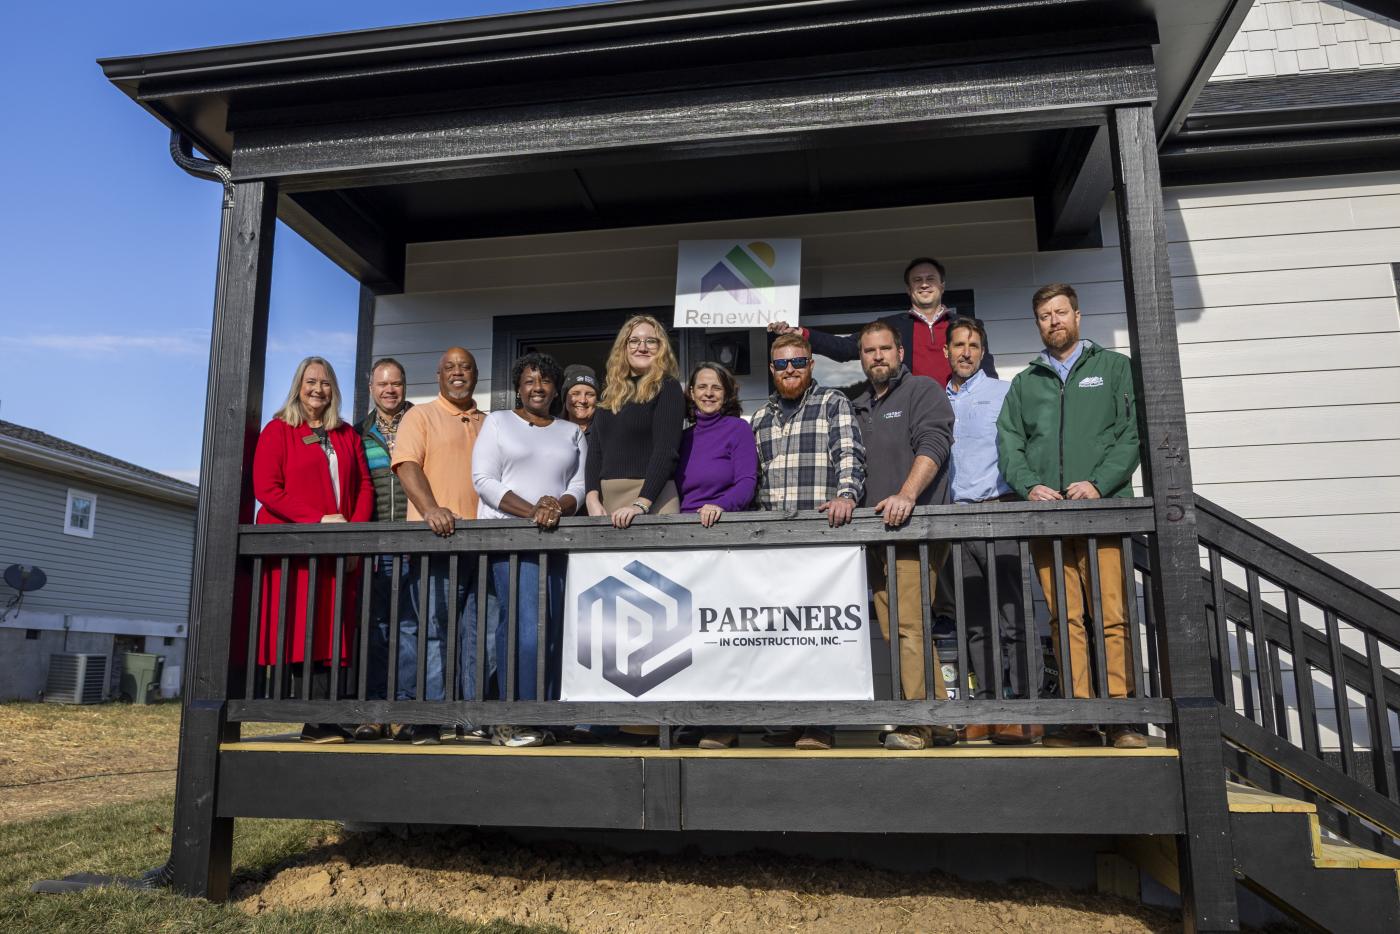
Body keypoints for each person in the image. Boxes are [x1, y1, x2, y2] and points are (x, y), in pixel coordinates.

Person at [997, 283, 1144, 750]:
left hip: (1103, 512)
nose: (1054, 321)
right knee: (1065, 618)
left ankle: (1122, 715)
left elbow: (1133, 434)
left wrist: (1099, 483)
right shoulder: (1025, 383)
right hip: (1050, 520)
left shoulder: (1115, 369)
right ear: (1038, 324)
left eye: (1061, 312)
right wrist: (1027, 485)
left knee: (1113, 615)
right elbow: (1009, 443)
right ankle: (1080, 715)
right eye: (1045, 315)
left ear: (1078, 316)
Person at [751, 333, 864, 751]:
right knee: (779, 636)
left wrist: (847, 496)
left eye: (797, 362)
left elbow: (851, 458)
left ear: (811, 363)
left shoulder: (833, 403)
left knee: (819, 636)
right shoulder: (760, 417)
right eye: (781, 365)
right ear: (772, 370)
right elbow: (755, 480)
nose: (790, 370)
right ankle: (787, 718)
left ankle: (821, 723)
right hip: (774, 547)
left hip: (821, 543)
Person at [252, 356, 373, 744]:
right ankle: (312, 719)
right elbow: (267, 490)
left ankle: (332, 716)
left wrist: (352, 534)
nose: (318, 389)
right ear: (298, 386)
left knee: (334, 631)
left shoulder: (346, 435)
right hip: (298, 550)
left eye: (325, 382)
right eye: (310, 381)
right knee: (304, 629)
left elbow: (365, 487)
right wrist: (318, 520)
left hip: (339, 551)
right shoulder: (278, 430)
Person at [849, 322, 956, 750]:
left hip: (915, 529)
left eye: (885, 349)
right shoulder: (856, 402)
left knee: (909, 625)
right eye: (869, 351)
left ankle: (916, 724)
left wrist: (907, 494)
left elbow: (935, 444)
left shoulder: (923, 390)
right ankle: (943, 718)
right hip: (873, 536)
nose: (878, 356)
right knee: (898, 629)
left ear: (899, 352)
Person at [473, 352, 587, 747]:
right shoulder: (498, 422)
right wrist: (532, 511)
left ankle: (547, 716)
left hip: (556, 540)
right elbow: (483, 480)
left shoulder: (571, 431)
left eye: (545, 381)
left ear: (556, 389)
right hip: (510, 540)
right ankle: (511, 718)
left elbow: (578, 486)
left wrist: (557, 507)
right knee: (523, 629)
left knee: (554, 629)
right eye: (529, 380)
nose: (537, 387)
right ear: (518, 387)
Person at [943, 318, 1040, 745]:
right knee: (975, 622)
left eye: (974, 345)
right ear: (946, 351)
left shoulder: (1004, 393)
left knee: (1013, 616)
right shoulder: (935, 400)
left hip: (999, 511)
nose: (966, 352)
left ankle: (1023, 710)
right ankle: (984, 707)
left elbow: (1026, 445)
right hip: (954, 519)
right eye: (959, 345)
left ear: (983, 352)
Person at [390, 346, 485, 745]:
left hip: (484, 545)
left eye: (465, 367)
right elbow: (407, 464)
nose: (458, 372)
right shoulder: (421, 415)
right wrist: (430, 509)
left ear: (476, 375)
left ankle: (471, 714)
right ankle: (427, 716)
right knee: (432, 631)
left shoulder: (490, 423)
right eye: (450, 367)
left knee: (477, 633)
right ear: (439, 375)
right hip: (435, 542)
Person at [674, 361, 758, 750]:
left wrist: (721, 506)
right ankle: (694, 717)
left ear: (727, 394)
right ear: (690, 393)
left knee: (721, 635)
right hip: (684, 544)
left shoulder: (737, 430)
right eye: (701, 387)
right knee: (687, 636)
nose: (708, 393)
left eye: (716, 388)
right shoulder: (683, 437)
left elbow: (746, 483)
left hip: (721, 538)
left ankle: (726, 723)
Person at [768, 257, 996, 387]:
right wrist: (801, 334)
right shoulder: (890, 327)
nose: (924, 285)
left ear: (942, 285)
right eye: (917, 281)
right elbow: (845, 348)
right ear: (909, 289)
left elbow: (987, 375)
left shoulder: (968, 325)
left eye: (930, 279)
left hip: (961, 410)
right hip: (914, 416)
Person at [353, 357, 415, 741]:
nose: (389, 390)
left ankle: (407, 710)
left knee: (411, 626)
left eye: (395, 383)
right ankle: (375, 710)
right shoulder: (359, 433)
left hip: (416, 541)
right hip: (377, 544)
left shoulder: (422, 422)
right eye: (382, 384)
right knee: (377, 628)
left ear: (404, 386)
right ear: (371, 388)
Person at [584, 315, 685, 526]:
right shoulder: (609, 394)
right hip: (607, 501)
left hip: (653, 498)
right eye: (634, 341)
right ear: (624, 347)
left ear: (661, 348)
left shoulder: (668, 388)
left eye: (651, 341)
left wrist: (641, 503)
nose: (642, 347)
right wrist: (591, 497)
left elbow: (666, 451)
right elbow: (595, 450)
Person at [562, 364, 599, 436]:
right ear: (565, 397)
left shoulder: (607, 431)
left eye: (590, 394)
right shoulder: (551, 430)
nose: (583, 400)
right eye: (575, 393)